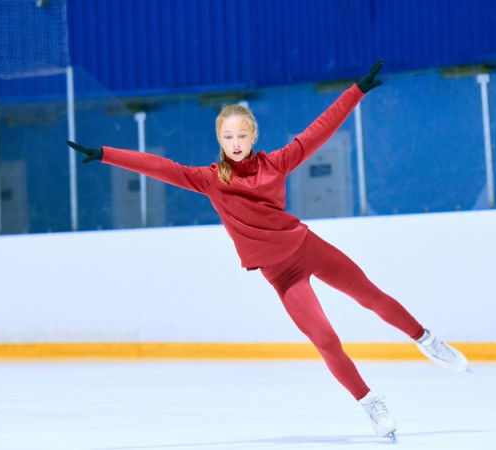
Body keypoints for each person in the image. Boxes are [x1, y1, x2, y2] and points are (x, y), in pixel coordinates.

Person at [67, 61, 469, 441]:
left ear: (253, 136)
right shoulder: (208, 179)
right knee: (326, 339)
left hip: (308, 247)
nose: (236, 143)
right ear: (219, 140)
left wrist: (356, 91)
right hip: (282, 274)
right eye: (228, 136)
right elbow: (158, 166)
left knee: (372, 297)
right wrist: (105, 154)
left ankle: (426, 339)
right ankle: (370, 401)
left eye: (242, 135)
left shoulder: (276, 163)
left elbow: (320, 130)